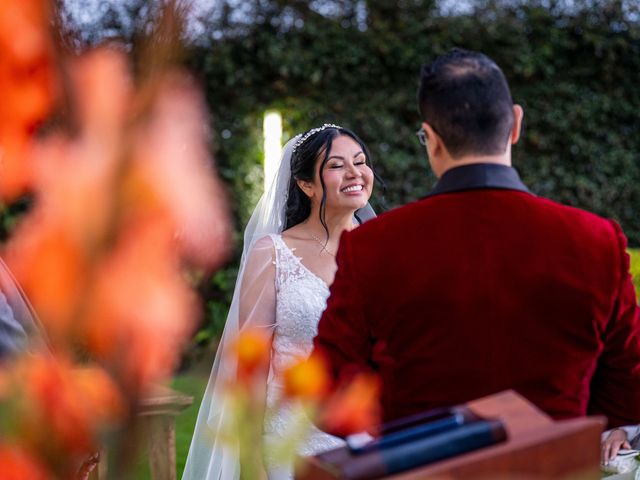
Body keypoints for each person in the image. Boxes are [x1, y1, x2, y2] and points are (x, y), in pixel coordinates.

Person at [313, 48, 640, 430]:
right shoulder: (596, 241)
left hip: (426, 468)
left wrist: (408, 420)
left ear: (431, 139)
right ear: (515, 124)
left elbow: (328, 391)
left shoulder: (373, 245)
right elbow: (630, 388)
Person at [182, 124, 378, 480]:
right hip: (291, 444)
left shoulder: (383, 250)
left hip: (365, 441)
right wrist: (251, 460)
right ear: (306, 185)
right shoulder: (273, 254)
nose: (355, 173)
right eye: (336, 166)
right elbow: (250, 365)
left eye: (360, 162)